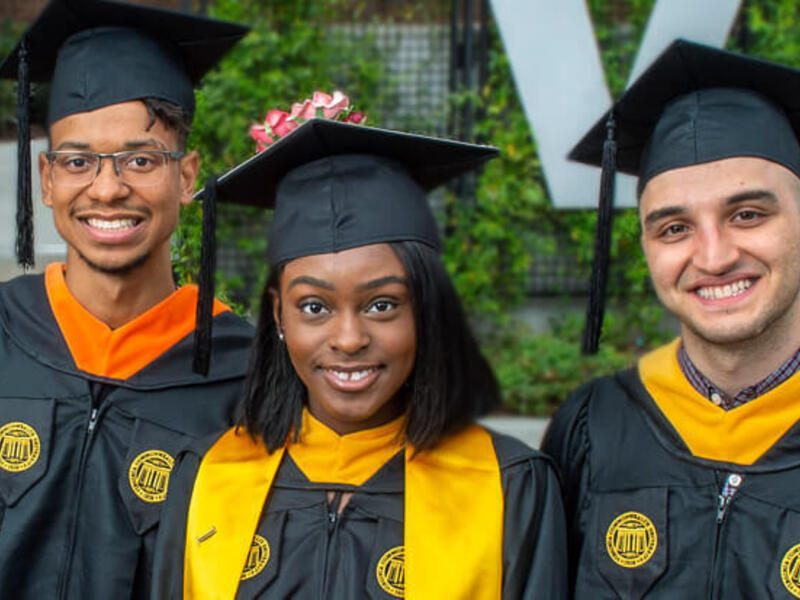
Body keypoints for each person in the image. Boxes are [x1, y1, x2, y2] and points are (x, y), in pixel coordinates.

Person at [151, 117, 568, 599]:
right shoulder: (207, 477)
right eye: (314, 307)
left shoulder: (507, 487)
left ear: (425, 310)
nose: (348, 339)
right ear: (278, 316)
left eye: (382, 305)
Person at [0, 1, 251, 597]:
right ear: (47, 179)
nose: (107, 188)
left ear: (186, 176)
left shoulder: (246, 373)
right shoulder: (4, 331)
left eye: (141, 160)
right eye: (78, 161)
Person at [543, 39, 800, 598]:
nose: (713, 256)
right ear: (645, 246)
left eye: (748, 214)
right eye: (674, 228)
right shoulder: (594, 426)